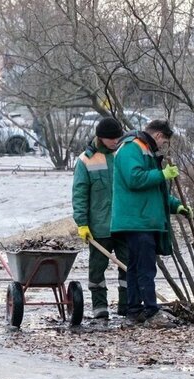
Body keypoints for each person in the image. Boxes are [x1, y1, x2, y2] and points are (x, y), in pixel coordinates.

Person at [111, 120, 192, 327]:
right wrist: (162, 174)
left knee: (137, 266)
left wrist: (176, 206)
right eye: (164, 141)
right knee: (145, 267)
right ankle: (150, 311)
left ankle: (135, 310)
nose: (163, 146)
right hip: (138, 220)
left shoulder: (143, 149)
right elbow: (134, 179)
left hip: (142, 218)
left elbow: (156, 191)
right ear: (157, 135)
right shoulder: (132, 148)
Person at [72, 117, 129, 319]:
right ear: (101, 138)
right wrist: (82, 224)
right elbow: (79, 194)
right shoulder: (85, 161)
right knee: (97, 269)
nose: (116, 141)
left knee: (128, 266)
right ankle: (99, 307)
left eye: (117, 137)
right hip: (98, 226)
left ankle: (126, 306)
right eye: (111, 138)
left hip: (123, 224)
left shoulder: (123, 155)